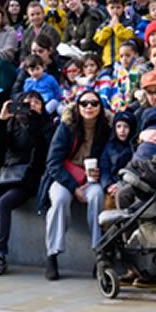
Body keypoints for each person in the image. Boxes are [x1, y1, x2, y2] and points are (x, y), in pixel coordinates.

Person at [0, 93, 51, 276]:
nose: (31, 105)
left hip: (30, 176)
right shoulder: (13, 122)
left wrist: (34, 122)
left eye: (36, 102)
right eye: (27, 103)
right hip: (9, 173)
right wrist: (1, 121)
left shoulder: (46, 125)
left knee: (4, 203)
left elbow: (41, 151)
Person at [39, 88, 110, 280]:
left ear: (100, 107)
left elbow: (110, 157)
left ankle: (100, 253)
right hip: (64, 177)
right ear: (77, 107)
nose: (89, 107)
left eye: (94, 103)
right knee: (60, 200)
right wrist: (73, 187)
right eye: (84, 103)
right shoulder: (67, 126)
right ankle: (52, 254)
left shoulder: (105, 128)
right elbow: (53, 162)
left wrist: (100, 172)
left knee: (97, 197)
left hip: (91, 179)